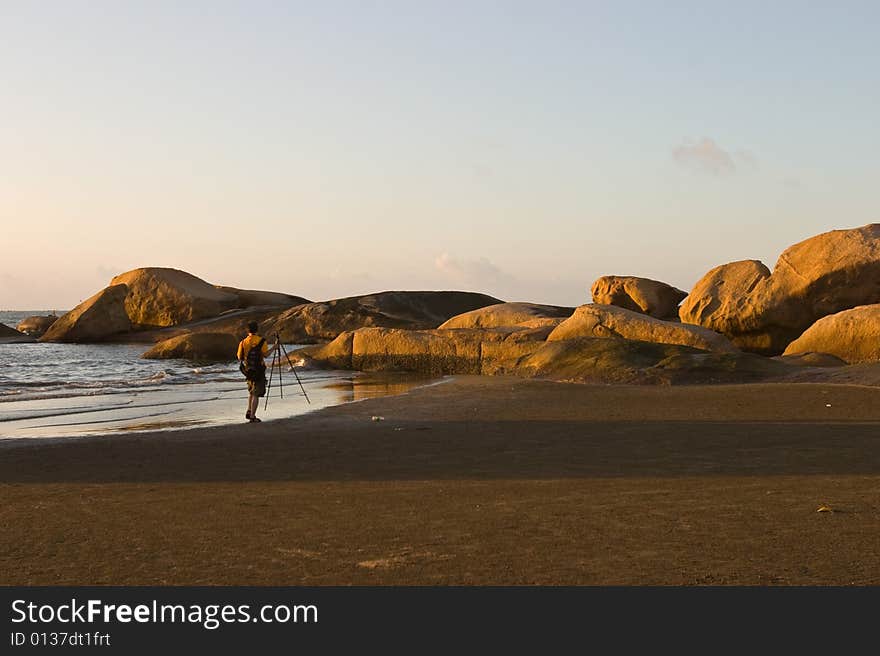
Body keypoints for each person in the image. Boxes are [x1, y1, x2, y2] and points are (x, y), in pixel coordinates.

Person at [237, 321, 278, 423]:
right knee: (256, 393)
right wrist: (274, 347)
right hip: (259, 370)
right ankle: (252, 416)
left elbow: (239, 357)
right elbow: (266, 355)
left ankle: (249, 410)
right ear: (257, 330)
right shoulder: (261, 341)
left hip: (248, 370)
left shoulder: (242, 342)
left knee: (251, 391)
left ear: (247, 331)